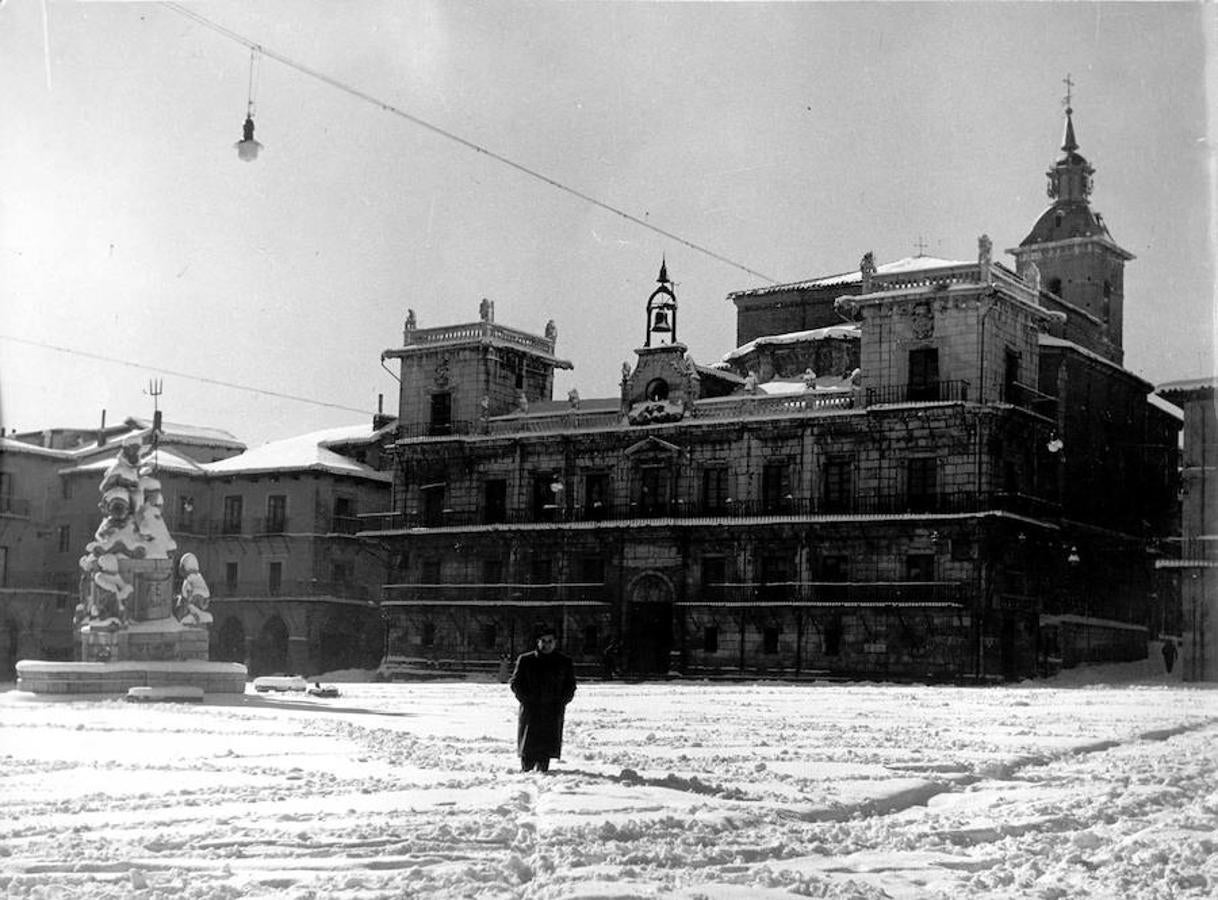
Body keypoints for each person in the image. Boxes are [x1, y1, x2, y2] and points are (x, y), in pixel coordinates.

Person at [510, 624, 577, 773]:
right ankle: (526, 773)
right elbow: (515, 683)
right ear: (538, 642)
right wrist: (526, 699)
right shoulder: (526, 660)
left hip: (552, 711)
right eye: (543, 641)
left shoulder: (564, 662)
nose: (546, 645)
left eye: (550, 641)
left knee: (545, 749)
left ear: (555, 642)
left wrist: (561, 702)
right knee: (528, 748)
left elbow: (570, 686)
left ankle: (543, 772)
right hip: (531, 710)